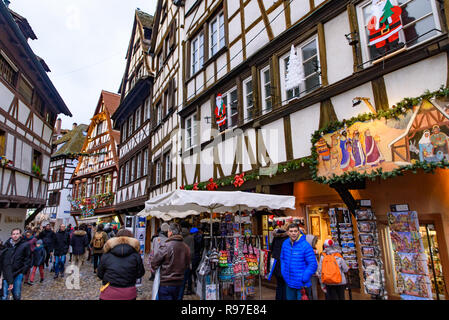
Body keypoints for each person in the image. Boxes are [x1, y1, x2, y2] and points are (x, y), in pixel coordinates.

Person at [97, 229, 145, 300]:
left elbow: (100, 274)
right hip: (129, 293)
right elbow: (140, 273)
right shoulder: (136, 256)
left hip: (109, 293)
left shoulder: (106, 255)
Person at [151, 223, 190, 300]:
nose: (167, 233)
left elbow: (154, 263)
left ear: (171, 232)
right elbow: (187, 264)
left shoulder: (166, 246)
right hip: (179, 282)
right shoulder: (186, 247)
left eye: (168, 231)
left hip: (166, 283)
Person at [280, 223, 318, 300]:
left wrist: (305, 277)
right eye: (291, 231)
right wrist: (283, 272)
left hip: (302, 284)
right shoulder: (285, 244)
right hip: (289, 282)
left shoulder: (305, 245)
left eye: (295, 231)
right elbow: (282, 258)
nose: (293, 233)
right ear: (287, 232)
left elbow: (313, 264)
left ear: (299, 232)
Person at [2, 228, 31, 300]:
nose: (15, 235)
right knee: (4, 295)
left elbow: (28, 259)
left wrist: (23, 271)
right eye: (13, 234)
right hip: (7, 273)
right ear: (11, 235)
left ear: (20, 235)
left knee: (17, 294)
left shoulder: (25, 244)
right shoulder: (7, 245)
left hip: (18, 272)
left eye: (17, 234)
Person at [270, 226, 289, 300]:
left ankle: (278, 298)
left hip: (276, 264)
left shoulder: (276, 238)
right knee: (285, 285)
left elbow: (272, 249)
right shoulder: (287, 239)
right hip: (284, 265)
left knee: (279, 284)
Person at [179, 225, 195, 298]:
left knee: (180, 281)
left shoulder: (179, 238)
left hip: (179, 262)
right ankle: (188, 289)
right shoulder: (191, 238)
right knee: (188, 277)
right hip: (187, 262)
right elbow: (192, 251)